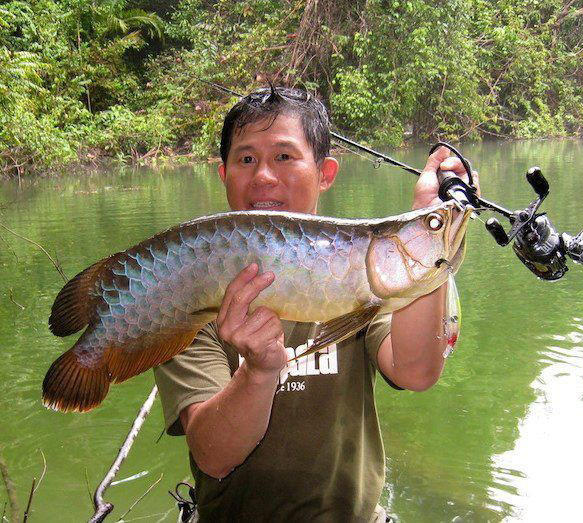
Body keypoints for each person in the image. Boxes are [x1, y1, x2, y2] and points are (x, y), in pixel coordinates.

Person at [153, 86, 473, 522]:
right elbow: (213, 455)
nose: (264, 176)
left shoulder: (356, 273)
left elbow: (415, 371)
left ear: (326, 173)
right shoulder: (187, 286)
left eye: (284, 157)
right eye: (246, 159)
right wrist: (259, 372)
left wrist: (429, 221)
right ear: (223, 173)